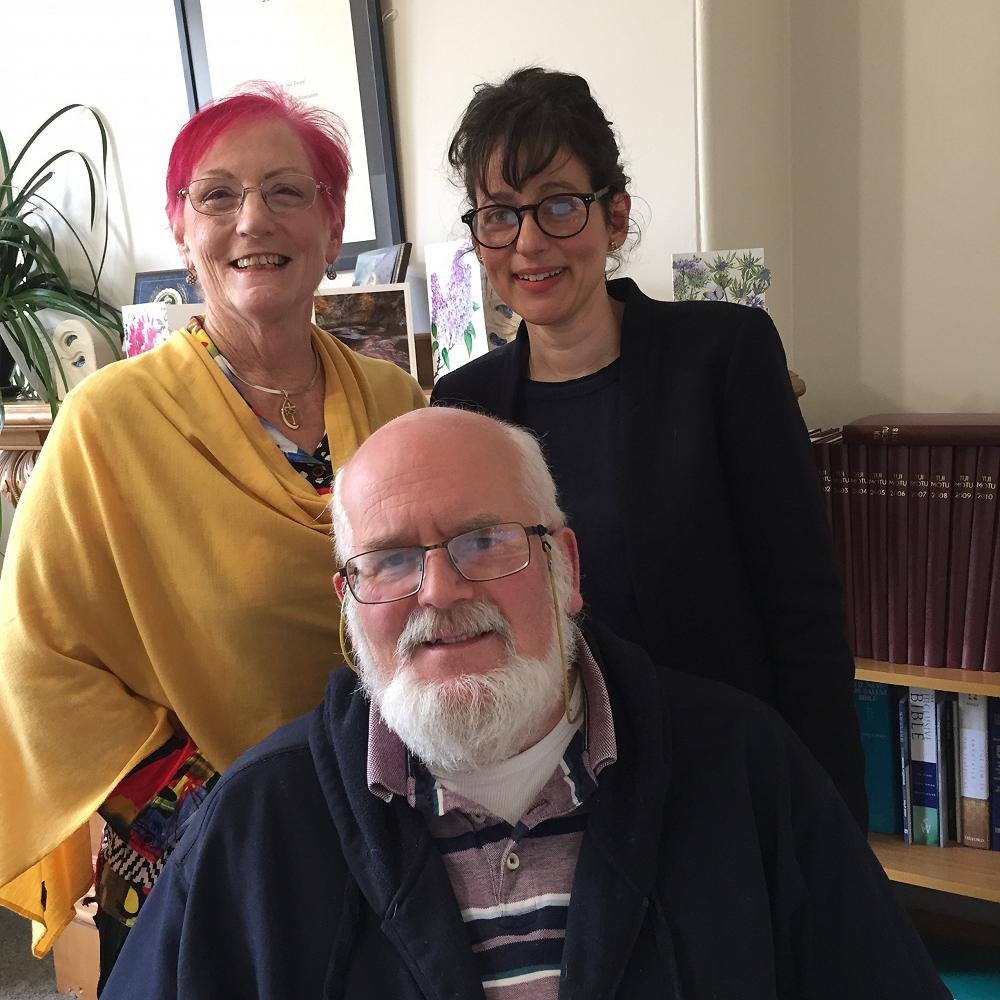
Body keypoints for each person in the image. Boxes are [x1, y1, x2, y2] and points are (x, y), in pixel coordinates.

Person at [103, 408, 949, 1000]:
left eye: (483, 541)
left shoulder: (747, 771)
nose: (439, 591)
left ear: (565, 568)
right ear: (349, 604)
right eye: (390, 561)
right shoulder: (255, 826)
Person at [0, 82, 424, 984]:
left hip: (396, 823)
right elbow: (38, 654)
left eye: (286, 191)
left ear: (332, 225)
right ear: (182, 229)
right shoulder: (109, 423)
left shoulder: (395, 402)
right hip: (201, 856)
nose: (252, 220)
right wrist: (214, 804)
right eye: (218, 195)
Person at [431, 67, 867, 826]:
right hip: (555, 800)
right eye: (499, 214)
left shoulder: (724, 355)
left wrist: (830, 820)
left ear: (615, 216)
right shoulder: (464, 404)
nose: (528, 241)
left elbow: (803, 606)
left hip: (724, 779)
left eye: (558, 205)